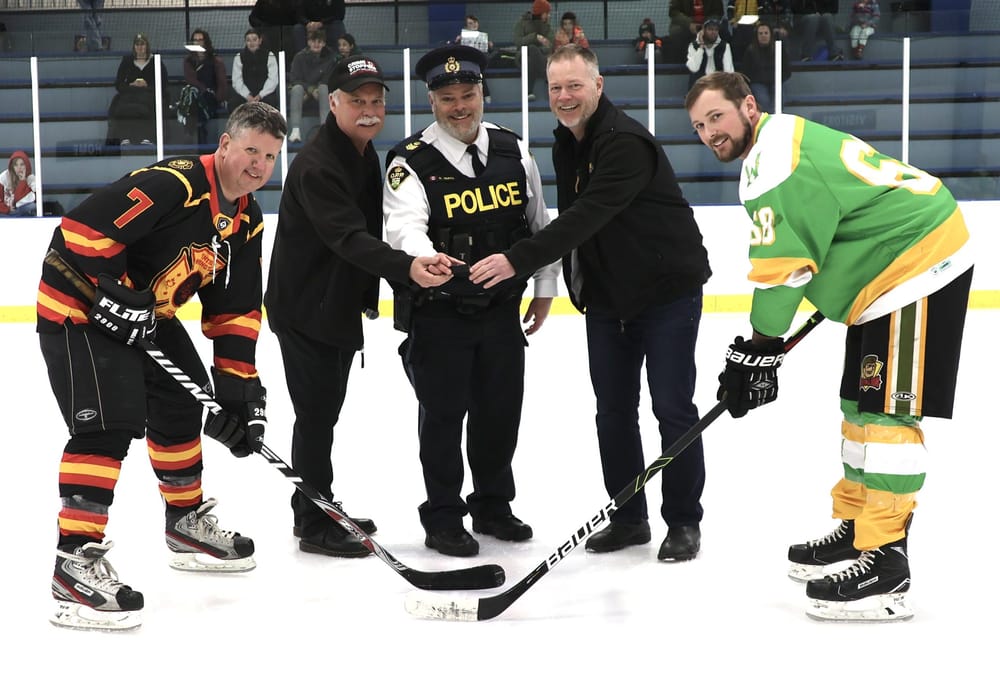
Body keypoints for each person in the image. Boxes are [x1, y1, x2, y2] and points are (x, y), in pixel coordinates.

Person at [685, 71, 973, 621]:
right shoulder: (776, 143)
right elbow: (825, 232)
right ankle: (858, 529)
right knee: (858, 406)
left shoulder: (775, 161)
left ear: (748, 105)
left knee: (887, 415)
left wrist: (759, 350)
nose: (708, 133)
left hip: (916, 264)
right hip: (883, 272)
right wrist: (761, 352)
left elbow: (782, 271)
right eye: (699, 126)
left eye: (716, 117)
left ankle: (887, 563)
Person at [38, 102, 287, 631]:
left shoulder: (246, 218)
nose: (259, 165)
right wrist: (113, 297)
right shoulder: (174, 183)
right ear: (224, 145)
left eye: (269, 156)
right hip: (77, 311)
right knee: (107, 425)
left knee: (182, 399)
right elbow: (81, 232)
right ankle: (72, 565)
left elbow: (236, 311)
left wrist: (240, 393)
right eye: (251, 151)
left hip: (146, 316)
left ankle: (185, 522)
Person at [470, 45, 712, 562]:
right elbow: (576, 226)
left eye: (574, 86)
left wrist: (518, 261)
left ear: (598, 85)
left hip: (666, 294)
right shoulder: (567, 143)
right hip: (608, 301)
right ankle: (628, 517)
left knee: (672, 407)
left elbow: (584, 219)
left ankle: (684, 522)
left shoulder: (624, 143)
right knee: (613, 413)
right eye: (556, 88)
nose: (564, 97)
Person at [265, 56, 455, 558]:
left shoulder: (358, 152)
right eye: (357, 101)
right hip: (308, 311)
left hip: (330, 307)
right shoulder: (320, 164)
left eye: (376, 101)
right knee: (316, 416)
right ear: (333, 103)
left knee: (322, 414)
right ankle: (312, 520)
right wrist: (407, 267)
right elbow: (348, 238)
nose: (368, 110)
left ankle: (318, 502)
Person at [383, 45, 559, 557]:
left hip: (503, 314)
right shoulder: (410, 161)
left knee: (500, 415)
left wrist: (545, 288)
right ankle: (442, 516)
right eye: (447, 97)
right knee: (441, 420)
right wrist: (426, 257)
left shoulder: (513, 150)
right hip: (440, 319)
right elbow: (403, 229)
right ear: (431, 101)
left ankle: (492, 506)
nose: (460, 106)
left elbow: (538, 226)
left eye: (468, 94)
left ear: (483, 93)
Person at [106, 33, 168, 146]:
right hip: (130, 94)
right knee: (122, 106)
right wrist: (131, 85)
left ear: (147, 46)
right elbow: (119, 83)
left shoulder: (156, 61)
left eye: (142, 44)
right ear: (134, 47)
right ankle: (124, 137)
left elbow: (163, 83)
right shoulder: (127, 61)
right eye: (137, 44)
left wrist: (147, 85)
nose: (140, 47)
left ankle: (147, 137)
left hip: (149, 93)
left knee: (147, 107)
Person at [287, 29, 337, 143]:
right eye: (313, 41)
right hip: (303, 94)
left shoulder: (331, 57)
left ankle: (326, 130)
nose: (316, 44)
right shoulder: (299, 57)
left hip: (320, 95)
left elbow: (329, 77)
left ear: (324, 43)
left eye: (319, 41)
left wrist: (317, 89)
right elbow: (294, 79)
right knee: (296, 89)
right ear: (308, 42)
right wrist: (310, 89)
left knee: (324, 88)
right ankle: (295, 131)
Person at [182, 28, 229, 145]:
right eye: (195, 40)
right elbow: (190, 79)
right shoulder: (188, 61)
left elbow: (222, 82)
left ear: (206, 42)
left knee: (192, 97)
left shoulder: (215, 60)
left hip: (210, 97)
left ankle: (191, 131)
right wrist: (202, 90)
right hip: (196, 95)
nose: (198, 42)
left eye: (200, 40)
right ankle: (198, 131)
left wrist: (218, 97)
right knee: (191, 91)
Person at [739, 21, 791, 113]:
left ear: (771, 34)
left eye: (766, 33)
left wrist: (779, 79)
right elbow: (745, 72)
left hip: (776, 81)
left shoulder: (778, 49)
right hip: (757, 83)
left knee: (779, 99)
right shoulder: (751, 50)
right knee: (763, 100)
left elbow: (786, 69)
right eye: (761, 33)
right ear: (757, 36)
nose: (763, 35)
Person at [512, 0, 553, 101]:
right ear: (540, 13)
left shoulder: (547, 26)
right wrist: (535, 37)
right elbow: (518, 42)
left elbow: (550, 45)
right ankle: (549, 79)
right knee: (531, 48)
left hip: (540, 58)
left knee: (531, 60)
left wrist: (540, 51)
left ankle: (528, 92)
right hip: (522, 56)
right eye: (546, 13)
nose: (548, 15)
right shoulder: (522, 23)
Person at [230, 28, 280, 111]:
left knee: (270, 102)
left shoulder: (270, 56)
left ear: (260, 41)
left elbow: (273, 79)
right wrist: (248, 96)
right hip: (245, 95)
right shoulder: (238, 57)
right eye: (248, 40)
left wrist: (260, 95)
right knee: (233, 103)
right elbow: (237, 80)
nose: (251, 43)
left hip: (265, 95)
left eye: (254, 40)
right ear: (245, 42)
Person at [686, 17, 734, 89]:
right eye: (710, 29)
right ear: (703, 30)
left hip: (718, 85)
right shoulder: (694, 45)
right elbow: (693, 68)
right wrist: (701, 47)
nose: (713, 32)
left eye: (716, 30)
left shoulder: (724, 46)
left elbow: (729, 71)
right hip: (699, 86)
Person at [455, 14, 494, 102]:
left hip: (481, 61)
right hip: (468, 63)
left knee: (478, 70)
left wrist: (490, 46)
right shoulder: (462, 37)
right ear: (466, 26)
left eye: (475, 22)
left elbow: (489, 52)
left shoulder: (482, 37)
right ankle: (485, 96)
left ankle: (484, 96)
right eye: (470, 23)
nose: (474, 25)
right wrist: (457, 42)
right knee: (477, 71)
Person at [0, 150, 36, 216]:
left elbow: (19, 202)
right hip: (5, 212)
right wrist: (7, 209)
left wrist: (22, 181)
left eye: (22, 164)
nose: (19, 168)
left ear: (26, 165)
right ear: (12, 167)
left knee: (31, 206)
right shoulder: (4, 177)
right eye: (16, 165)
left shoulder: (31, 179)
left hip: (20, 211)